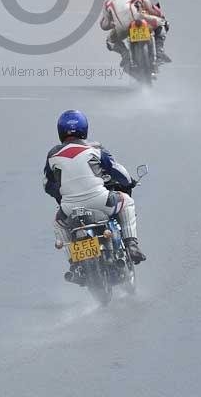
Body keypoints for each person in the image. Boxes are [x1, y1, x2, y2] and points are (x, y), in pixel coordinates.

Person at [43, 109, 146, 280]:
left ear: (60, 131)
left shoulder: (52, 155)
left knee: (58, 223)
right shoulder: (94, 148)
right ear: (84, 129)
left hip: (69, 207)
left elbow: (47, 184)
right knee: (126, 201)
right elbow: (117, 170)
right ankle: (132, 245)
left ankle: (74, 263)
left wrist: (62, 196)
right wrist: (129, 182)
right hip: (100, 200)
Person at [100, 0, 171, 64]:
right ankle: (159, 51)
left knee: (110, 41)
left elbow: (104, 25)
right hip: (139, 19)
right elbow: (151, 9)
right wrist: (160, 15)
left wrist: (113, 23)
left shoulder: (109, 1)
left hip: (121, 29)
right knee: (163, 23)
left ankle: (125, 55)